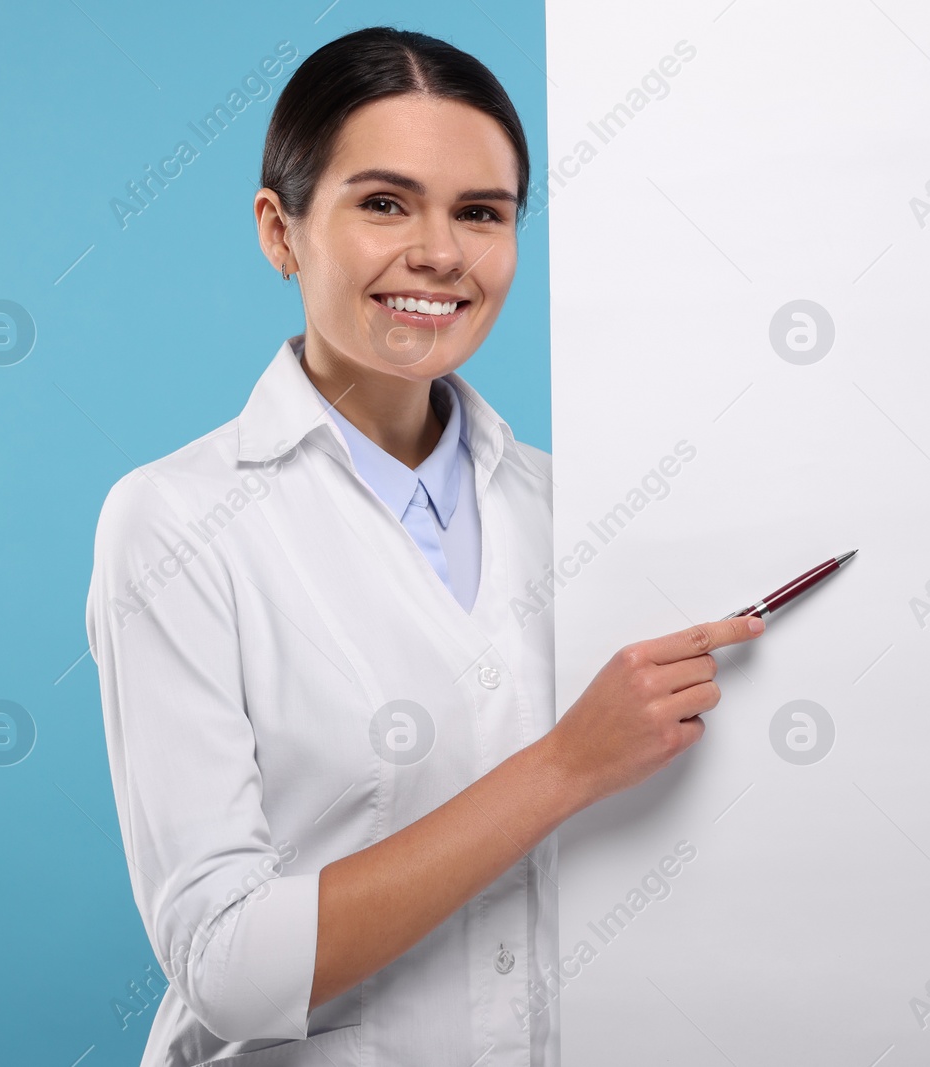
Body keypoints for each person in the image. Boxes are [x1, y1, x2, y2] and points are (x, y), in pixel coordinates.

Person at [84, 25, 764, 1067]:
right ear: (280, 230)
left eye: (480, 213)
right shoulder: (175, 522)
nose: (440, 253)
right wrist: (565, 766)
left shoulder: (574, 506)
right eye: (384, 202)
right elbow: (225, 962)